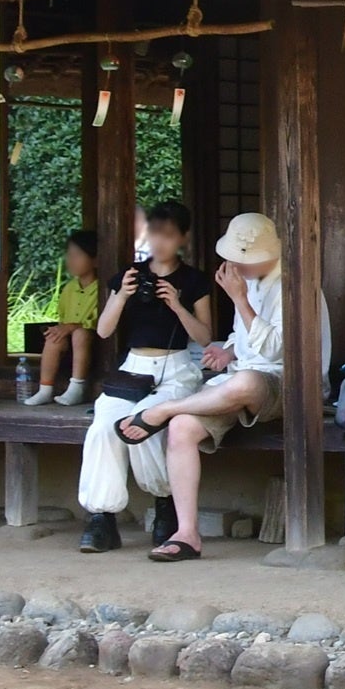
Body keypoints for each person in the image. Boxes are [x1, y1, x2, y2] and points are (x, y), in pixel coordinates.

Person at [116, 212, 331, 563]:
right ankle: (186, 533)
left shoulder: (295, 285)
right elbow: (245, 337)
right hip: (240, 378)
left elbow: (278, 349)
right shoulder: (247, 279)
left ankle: (164, 408)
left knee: (242, 382)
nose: (238, 265)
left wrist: (240, 300)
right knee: (183, 427)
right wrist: (227, 349)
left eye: (246, 258)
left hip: (290, 383)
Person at [75, 202, 213, 554]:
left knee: (146, 423)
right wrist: (122, 293)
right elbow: (104, 330)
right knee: (104, 427)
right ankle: (101, 518)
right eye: (154, 233)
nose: (160, 242)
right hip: (132, 369)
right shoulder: (128, 276)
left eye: (168, 235)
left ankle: (164, 504)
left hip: (176, 369)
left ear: (182, 238)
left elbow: (205, 338)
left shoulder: (194, 280)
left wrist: (178, 306)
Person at [26, 229, 102, 407]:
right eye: (69, 255)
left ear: (95, 260)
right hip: (70, 344)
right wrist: (62, 329)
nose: (71, 260)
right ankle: (45, 389)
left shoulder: (102, 288)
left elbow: (99, 322)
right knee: (54, 337)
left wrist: (73, 327)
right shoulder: (69, 288)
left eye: (77, 255)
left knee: (80, 334)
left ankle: (77, 388)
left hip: (94, 343)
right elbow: (63, 320)